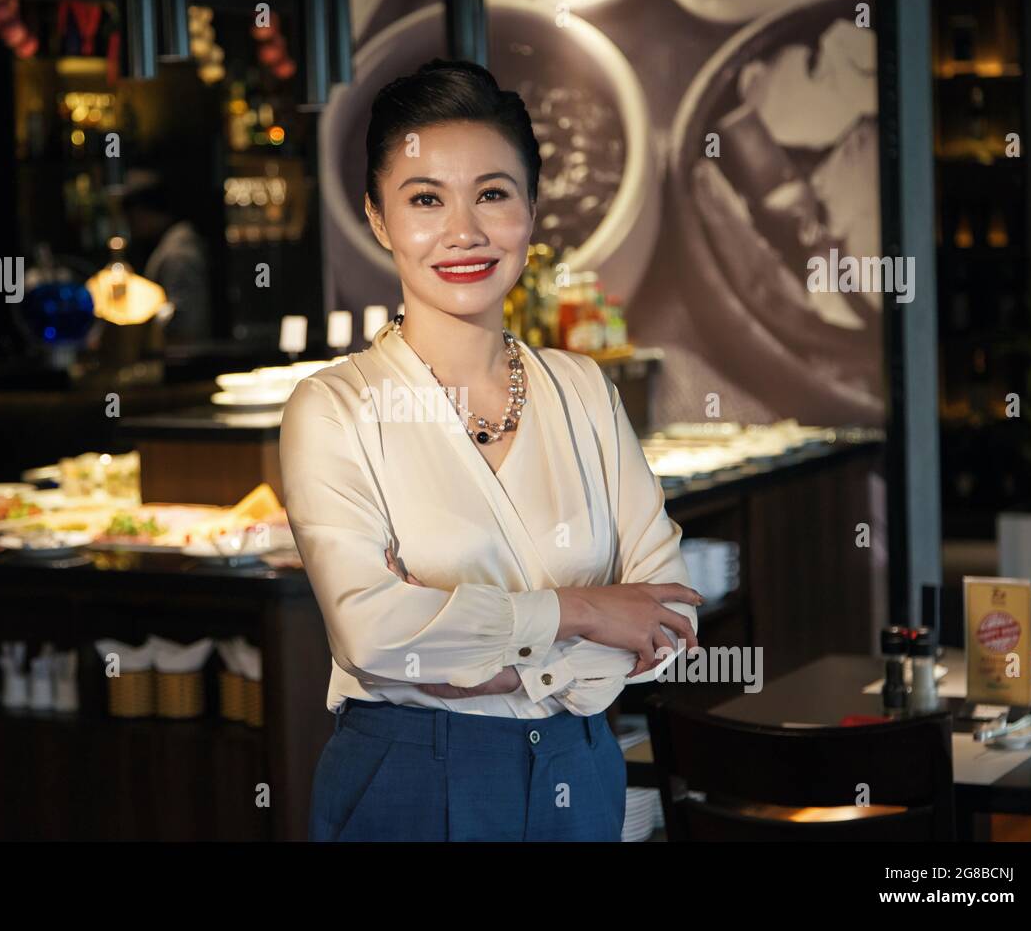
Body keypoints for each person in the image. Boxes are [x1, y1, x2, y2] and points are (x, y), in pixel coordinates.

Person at [278, 59, 702, 842]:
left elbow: (667, 618)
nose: (464, 232)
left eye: (493, 194)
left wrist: (473, 655)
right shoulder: (335, 408)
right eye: (425, 199)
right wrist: (583, 611)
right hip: (410, 776)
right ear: (378, 218)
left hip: (579, 766)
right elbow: (374, 635)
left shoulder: (583, 390)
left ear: (532, 210)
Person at [120, 171, 212, 344]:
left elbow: (185, 323)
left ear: (142, 212)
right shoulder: (173, 246)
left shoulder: (178, 254)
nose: (130, 226)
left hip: (182, 353)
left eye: (131, 218)